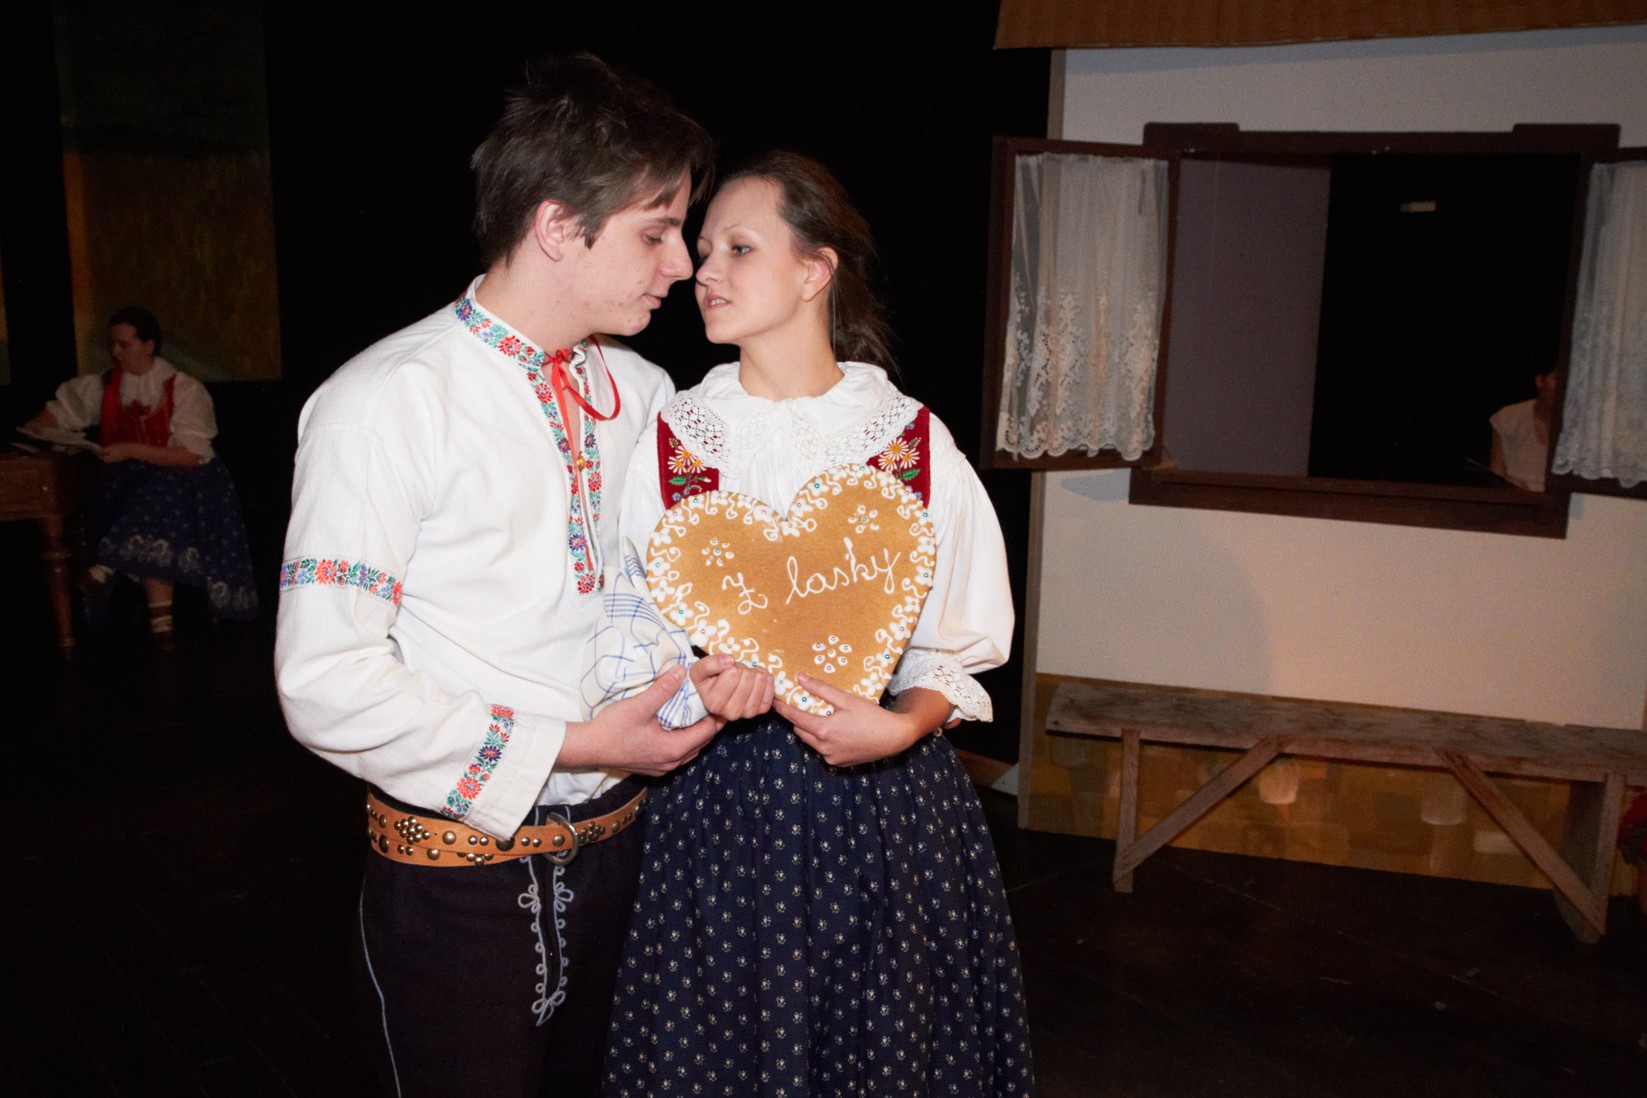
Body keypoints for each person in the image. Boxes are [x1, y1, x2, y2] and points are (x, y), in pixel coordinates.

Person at [273, 54, 754, 1097]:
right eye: (656, 231)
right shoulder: (386, 402)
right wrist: (578, 744)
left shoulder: (642, 391)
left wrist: (730, 663)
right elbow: (325, 682)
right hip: (461, 889)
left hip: (628, 859)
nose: (682, 264)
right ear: (557, 226)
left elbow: (681, 592)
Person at [599, 153, 1035, 1095]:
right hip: (718, 802)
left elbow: (956, 642)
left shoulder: (909, 441)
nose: (702, 270)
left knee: (882, 1048)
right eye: (702, 249)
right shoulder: (671, 440)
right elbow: (636, 629)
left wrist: (902, 727)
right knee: (719, 1048)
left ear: (814, 270)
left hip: (883, 808)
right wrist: (694, 688)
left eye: (738, 248)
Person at [23, 306, 258, 633]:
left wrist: (130, 449)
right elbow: (60, 412)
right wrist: (40, 426)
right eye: (112, 345)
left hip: (191, 481)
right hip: (130, 482)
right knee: (146, 495)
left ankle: (107, 564)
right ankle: (160, 622)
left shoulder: (183, 389)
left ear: (148, 345)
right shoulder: (104, 386)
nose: (116, 353)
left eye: (124, 344)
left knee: (161, 492)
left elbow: (190, 455)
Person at [1488, 368, 1558, 491]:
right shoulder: (1510, 416)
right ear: (1540, 381)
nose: (1562, 386)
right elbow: (1497, 475)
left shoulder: (1577, 425)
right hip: (1515, 497)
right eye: (1556, 378)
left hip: (1555, 498)